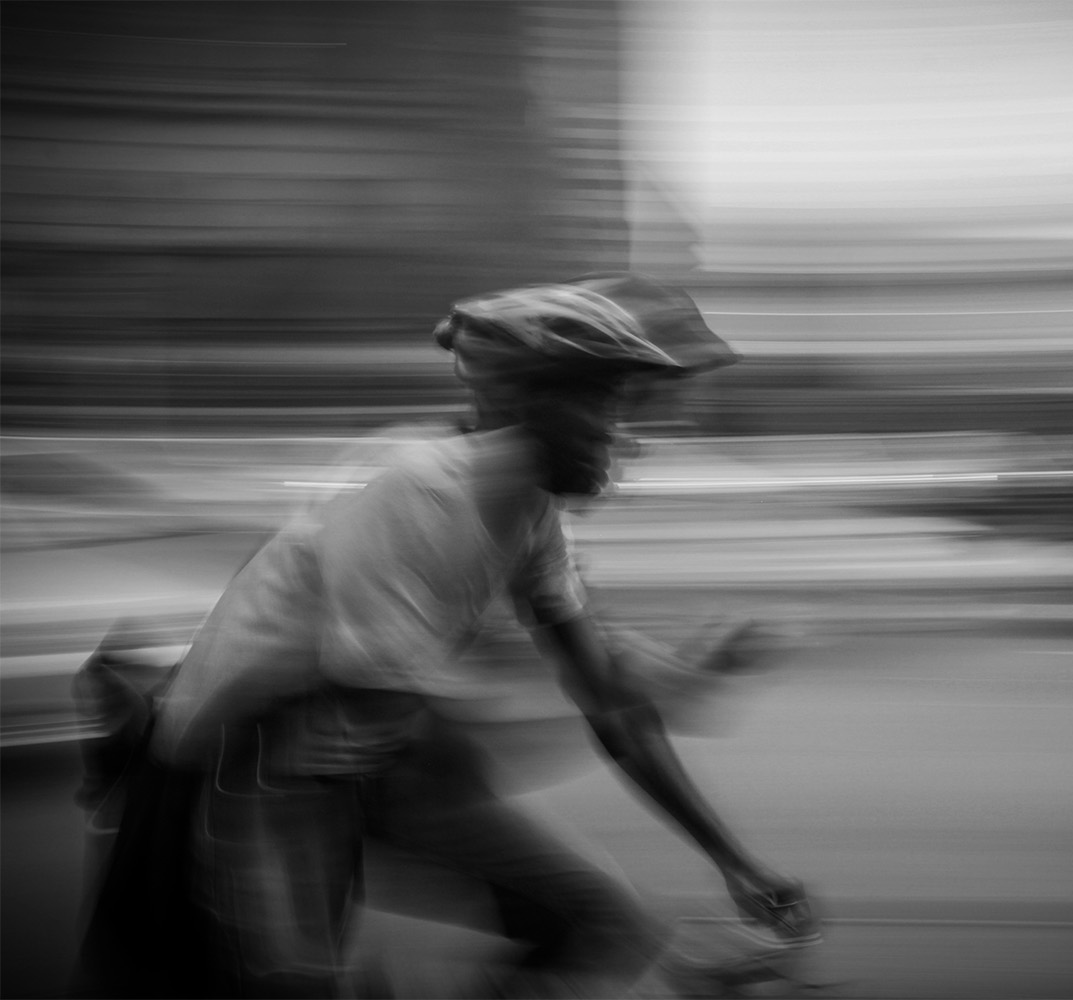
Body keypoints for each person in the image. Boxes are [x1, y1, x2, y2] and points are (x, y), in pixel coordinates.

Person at [74, 272, 816, 999]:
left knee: (600, 921)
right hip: (255, 764)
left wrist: (732, 862)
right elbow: (430, 725)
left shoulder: (533, 514)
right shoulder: (417, 490)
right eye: (604, 403)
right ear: (525, 402)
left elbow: (606, 702)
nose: (625, 438)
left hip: (370, 753)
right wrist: (678, 689)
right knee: (292, 985)